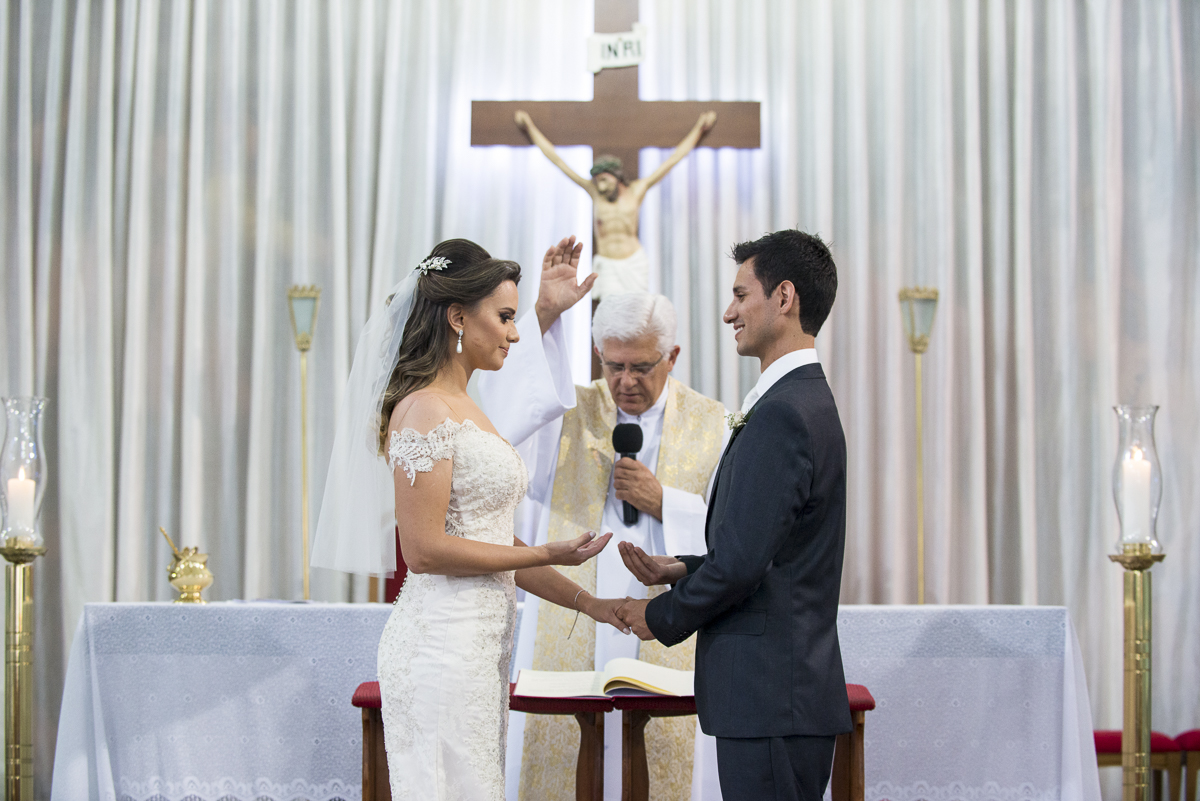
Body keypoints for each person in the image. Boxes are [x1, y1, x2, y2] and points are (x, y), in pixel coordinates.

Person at [311, 238, 630, 801]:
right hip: (439, 648)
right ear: (458, 317)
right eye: (505, 317)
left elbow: (488, 542)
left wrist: (591, 604)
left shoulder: (467, 406)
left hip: (477, 651)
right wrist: (543, 550)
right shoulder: (424, 408)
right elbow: (426, 550)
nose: (513, 332)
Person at [478, 238, 728, 801]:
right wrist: (544, 312)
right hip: (576, 619)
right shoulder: (569, 414)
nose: (626, 382)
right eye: (613, 366)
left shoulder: (716, 424)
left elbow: (737, 534)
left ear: (674, 356)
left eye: (642, 367)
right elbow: (504, 424)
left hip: (669, 624)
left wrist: (667, 503)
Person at [616, 230, 852, 801]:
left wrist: (661, 617)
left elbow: (744, 565)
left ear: (785, 297)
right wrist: (681, 569)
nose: (729, 312)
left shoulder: (784, 414)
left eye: (741, 295)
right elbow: (769, 551)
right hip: (778, 698)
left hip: (772, 697)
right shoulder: (796, 399)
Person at [514, 110, 717, 299]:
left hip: (634, 263)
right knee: (610, 320)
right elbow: (558, 161)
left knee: (638, 317)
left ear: (616, 177)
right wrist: (530, 127)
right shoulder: (595, 193)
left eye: (604, 180)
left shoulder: (637, 190)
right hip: (608, 264)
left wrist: (699, 128)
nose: (600, 186)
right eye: (598, 181)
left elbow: (673, 159)